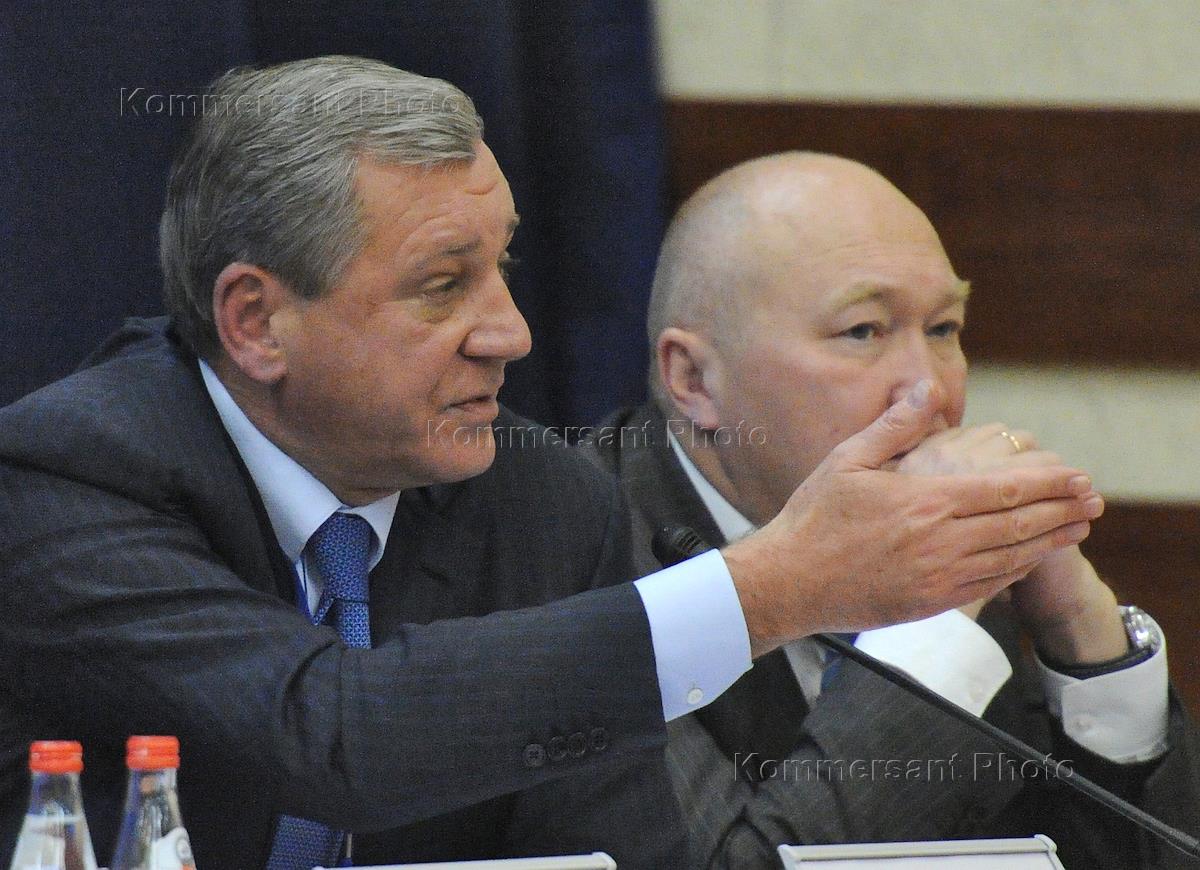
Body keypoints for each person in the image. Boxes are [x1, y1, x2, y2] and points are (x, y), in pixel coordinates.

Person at [0, 58, 1101, 869]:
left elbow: (619, 860)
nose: (511, 333)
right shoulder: (69, 477)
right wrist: (782, 584)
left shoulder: (541, 505)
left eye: (504, 269)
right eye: (443, 286)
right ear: (256, 321)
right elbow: (333, 733)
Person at [587, 151, 1200, 869]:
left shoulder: (951, 534)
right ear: (694, 378)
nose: (929, 391)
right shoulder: (572, 554)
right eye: (863, 331)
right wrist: (930, 629)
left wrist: (1083, 638)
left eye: (943, 329)